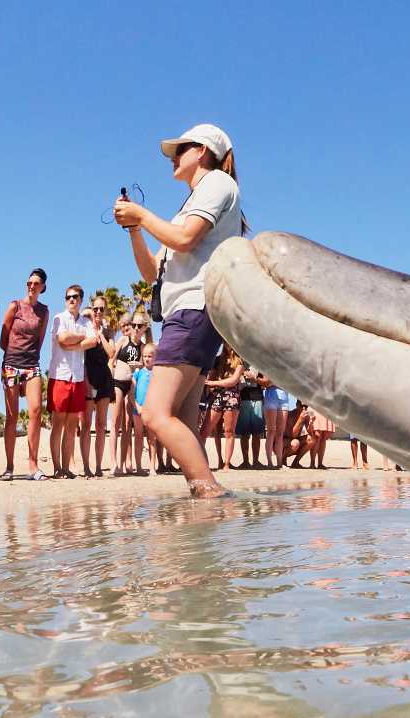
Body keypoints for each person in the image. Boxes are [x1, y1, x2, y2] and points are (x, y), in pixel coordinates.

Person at [113, 123, 243, 498]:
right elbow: (153, 271)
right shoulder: (191, 203)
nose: (172, 158)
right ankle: (205, 513)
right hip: (189, 314)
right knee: (183, 421)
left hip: (192, 310)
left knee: (154, 414)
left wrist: (142, 214)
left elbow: (185, 240)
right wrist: (135, 230)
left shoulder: (217, 184)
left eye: (179, 150)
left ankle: (212, 493)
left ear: (202, 151)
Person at [0, 269, 50, 479]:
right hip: (11, 363)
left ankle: (33, 465)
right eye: (29, 282)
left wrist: (29, 361)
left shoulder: (44, 311)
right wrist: (12, 359)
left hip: (32, 365)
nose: (31, 286)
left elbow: (40, 340)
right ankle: (9, 467)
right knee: (11, 416)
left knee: (36, 411)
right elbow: (4, 339)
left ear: (43, 287)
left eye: (36, 283)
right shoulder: (14, 306)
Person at [45, 284, 96, 480]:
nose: (71, 300)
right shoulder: (60, 318)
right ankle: (57, 468)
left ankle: (66, 467)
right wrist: (81, 338)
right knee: (58, 423)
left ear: (81, 299)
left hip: (78, 377)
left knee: (72, 425)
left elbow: (94, 341)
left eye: (75, 297)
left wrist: (75, 345)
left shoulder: (86, 321)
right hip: (60, 375)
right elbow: (63, 338)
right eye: (68, 297)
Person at [82, 295, 118, 476]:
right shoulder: (84, 326)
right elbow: (81, 315)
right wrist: (88, 316)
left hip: (104, 378)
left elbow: (111, 353)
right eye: (95, 309)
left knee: (102, 424)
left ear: (105, 311)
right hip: (88, 375)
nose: (97, 312)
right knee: (87, 424)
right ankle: (86, 466)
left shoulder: (109, 332)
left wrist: (100, 335)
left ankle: (97, 466)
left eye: (101, 309)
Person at [110, 311, 149, 475]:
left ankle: (127, 463)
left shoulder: (142, 347)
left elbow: (145, 366)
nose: (135, 328)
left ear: (144, 328)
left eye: (139, 326)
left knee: (128, 425)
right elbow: (111, 361)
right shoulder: (123, 340)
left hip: (132, 385)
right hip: (119, 382)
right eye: (134, 325)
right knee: (115, 422)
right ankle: (113, 463)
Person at [202, 345, 244, 471]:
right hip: (217, 395)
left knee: (229, 432)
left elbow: (233, 381)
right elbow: (212, 376)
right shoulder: (217, 360)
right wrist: (211, 383)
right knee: (205, 430)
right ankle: (203, 462)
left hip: (231, 396)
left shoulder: (240, 362)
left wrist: (213, 383)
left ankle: (226, 464)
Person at [132, 344, 165, 472]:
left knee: (152, 438)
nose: (147, 359)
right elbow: (131, 392)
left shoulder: (158, 373)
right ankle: (139, 466)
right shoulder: (138, 373)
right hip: (138, 409)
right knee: (138, 436)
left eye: (150, 356)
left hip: (152, 410)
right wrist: (137, 406)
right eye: (145, 356)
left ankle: (152, 466)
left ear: (155, 357)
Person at [262, 372, 295, 472]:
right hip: (271, 395)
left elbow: (291, 383)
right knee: (271, 431)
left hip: (284, 396)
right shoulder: (269, 366)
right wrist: (276, 382)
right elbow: (266, 382)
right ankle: (269, 462)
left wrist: (274, 382)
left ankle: (279, 463)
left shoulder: (285, 368)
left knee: (280, 433)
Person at [236, 363, 266, 468]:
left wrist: (254, 378)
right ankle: (245, 461)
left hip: (257, 398)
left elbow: (266, 382)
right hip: (243, 398)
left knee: (256, 433)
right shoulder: (239, 363)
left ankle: (255, 461)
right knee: (244, 433)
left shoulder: (259, 362)